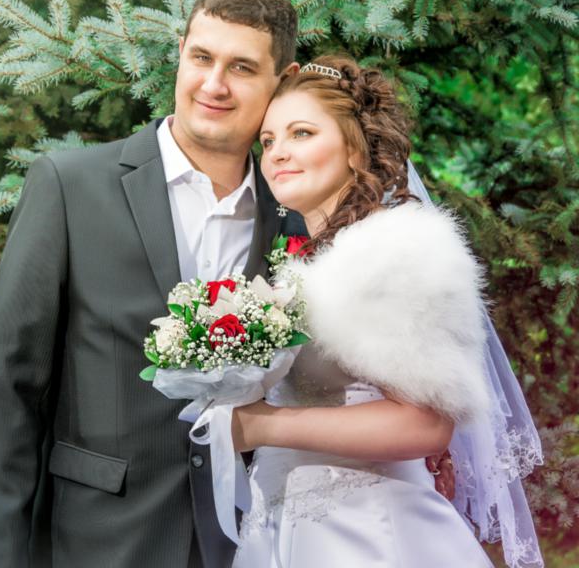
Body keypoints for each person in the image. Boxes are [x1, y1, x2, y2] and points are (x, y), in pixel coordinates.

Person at [0, 0, 300, 568]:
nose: (213, 84)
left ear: (282, 81)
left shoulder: (294, 214)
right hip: (99, 539)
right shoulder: (71, 186)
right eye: (202, 57)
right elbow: (6, 392)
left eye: (242, 68)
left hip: (251, 540)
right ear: (181, 54)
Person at [230, 56, 542, 567]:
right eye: (268, 140)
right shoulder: (309, 258)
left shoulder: (393, 250)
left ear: (355, 149)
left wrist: (259, 427)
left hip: (369, 534)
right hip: (289, 525)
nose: (277, 152)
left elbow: (425, 426)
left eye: (301, 133)